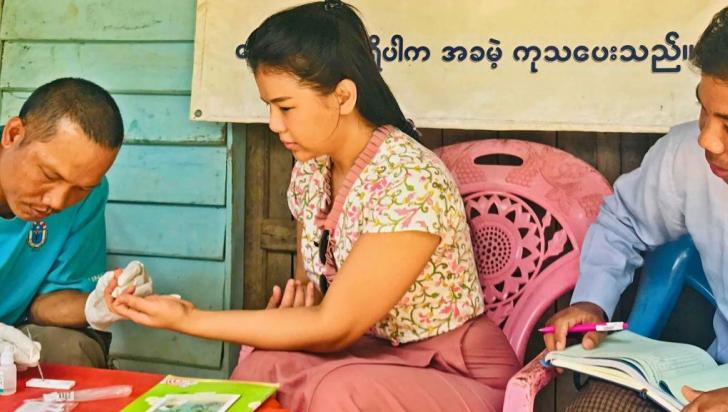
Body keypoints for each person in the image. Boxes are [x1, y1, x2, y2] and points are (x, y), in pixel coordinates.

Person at [110, 1, 520, 410]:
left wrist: (189, 318)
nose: (274, 124)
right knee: (262, 365)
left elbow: (333, 327)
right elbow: (316, 301)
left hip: (451, 370)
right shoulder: (311, 172)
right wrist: (295, 316)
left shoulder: (410, 179)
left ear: (342, 96)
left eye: (286, 107)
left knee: (339, 393)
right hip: (367, 356)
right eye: (268, 106)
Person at [543, 6, 728, 412]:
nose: (708, 141)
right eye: (704, 111)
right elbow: (622, 223)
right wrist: (594, 301)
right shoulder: (686, 158)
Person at [0, 77, 152, 368]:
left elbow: (46, 301)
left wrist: (101, 303)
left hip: (15, 332)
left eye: (80, 188)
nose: (58, 202)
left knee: (72, 349)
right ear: (13, 134)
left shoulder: (90, 196)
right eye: (49, 175)